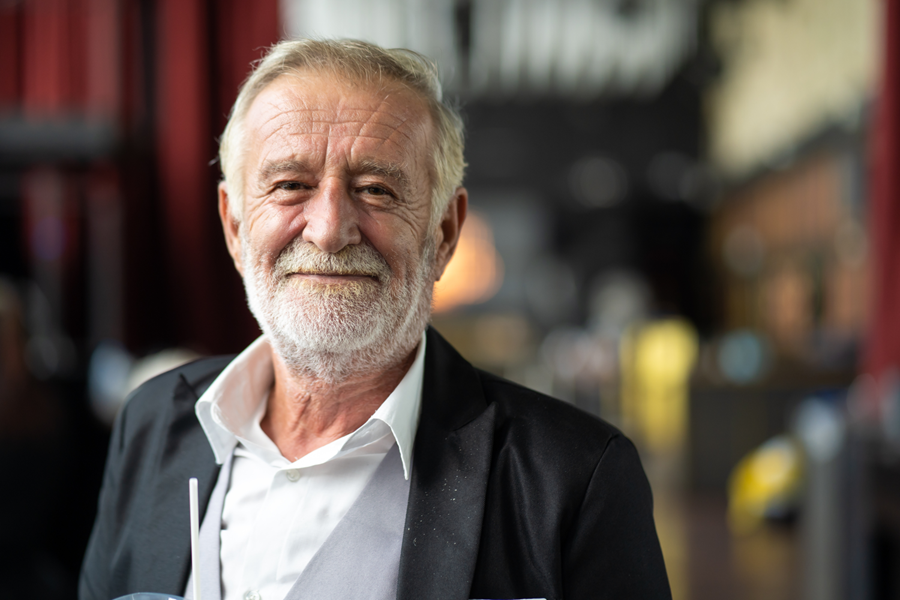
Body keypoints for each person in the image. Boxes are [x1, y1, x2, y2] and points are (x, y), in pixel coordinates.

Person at [79, 39, 671, 600]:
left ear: (443, 232)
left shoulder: (574, 479)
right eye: (290, 185)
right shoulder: (151, 427)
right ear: (234, 226)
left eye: (377, 190)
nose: (330, 229)